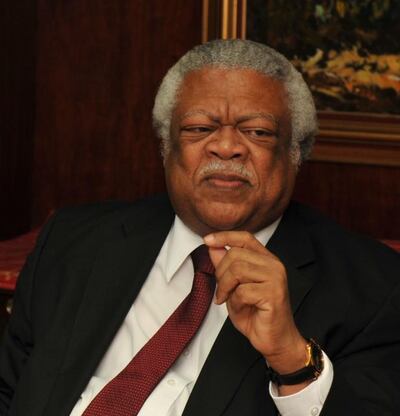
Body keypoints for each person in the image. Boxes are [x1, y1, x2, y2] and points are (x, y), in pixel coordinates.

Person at [0, 39, 399, 416]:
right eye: (198, 128)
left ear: (295, 152)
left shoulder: (374, 288)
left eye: (257, 131)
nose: (226, 147)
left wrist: (292, 358)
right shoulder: (71, 242)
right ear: (165, 146)